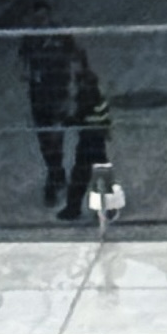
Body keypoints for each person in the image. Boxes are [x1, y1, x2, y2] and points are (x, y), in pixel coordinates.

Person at [20, 32, 84, 208]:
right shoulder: (30, 38)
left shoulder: (60, 36)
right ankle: (56, 173)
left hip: (58, 94)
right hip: (39, 96)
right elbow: (23, 64)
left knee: (55, 137)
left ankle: (55, 176)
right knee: (45, 139)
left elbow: (77, 57)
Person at [59, 60, 113, 223]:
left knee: (81, 175)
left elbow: (82, 118)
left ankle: (74, 209)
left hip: (89, 140)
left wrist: (69, 121)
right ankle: (106, 208)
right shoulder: (96, 94)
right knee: (100, 173)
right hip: (97, 138)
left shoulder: (87, 96)